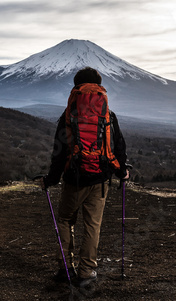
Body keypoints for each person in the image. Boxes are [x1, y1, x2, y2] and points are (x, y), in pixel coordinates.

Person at [40, 67, 129, 288]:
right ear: (99, 85)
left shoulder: (69, 114)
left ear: (76, 86)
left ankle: (65, 268)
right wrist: (121, 171)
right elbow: (118, 146)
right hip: (100, 180)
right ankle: (87, 272)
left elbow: (59, 152)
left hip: (74, 179)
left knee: (65, 220)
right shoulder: (108, 113)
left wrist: (51, 179)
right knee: (92, 225)